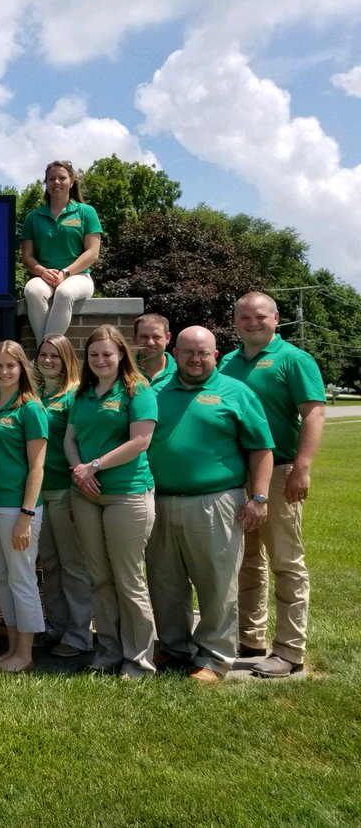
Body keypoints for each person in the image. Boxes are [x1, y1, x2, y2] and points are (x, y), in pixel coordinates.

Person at [147, 326, 274, 683]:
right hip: (160, 501)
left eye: (203, 353)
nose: (195, 359)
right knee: (164, 581)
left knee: (217, 584)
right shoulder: (154, 392)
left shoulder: (237, 392)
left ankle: (215, 657)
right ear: (175, 353)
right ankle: (174, 646)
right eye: (188, 352)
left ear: (215, 355)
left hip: (216, 501)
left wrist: (259, 497)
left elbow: (261, 448)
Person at [219, 292, 325, 678]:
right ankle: (250, 637)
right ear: (235, 322)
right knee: (246, 560)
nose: (252, 323)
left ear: (276, 317)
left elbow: (313, 414)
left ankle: (289, 650)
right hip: (237, 474)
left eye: (260, 316)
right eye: (244, 317)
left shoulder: (294, 359)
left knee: (286, 561)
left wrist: (302, 468)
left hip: (280, 471)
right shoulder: (227, 362)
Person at [64, 325, 158, 677]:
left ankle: (139, 659)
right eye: (94, 354)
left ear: (121, 354)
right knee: (100, 578)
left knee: (128, 579)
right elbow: (70, 439)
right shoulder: (83, 394)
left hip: (127, 494)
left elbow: (140, 441)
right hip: (86, 496)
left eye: (107, 354)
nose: (100, 360)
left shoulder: (137, 389)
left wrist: (94, 466)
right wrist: (80, 471)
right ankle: (109, 651)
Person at [0, 341, 48, 673]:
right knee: (1, 578)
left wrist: (26, 515)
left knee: (21, 578)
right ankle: (13, 648)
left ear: (22, 368)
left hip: (16, 509)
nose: (4, 372)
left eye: (11, 366)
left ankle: (26, 654)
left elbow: (37, 467)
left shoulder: (31, 409)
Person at [34, 333, 93, 657]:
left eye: (55, 355)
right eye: (43, 354)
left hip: (65, 491)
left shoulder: (75, 395)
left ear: (67, 358)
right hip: (38, 493)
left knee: (73, 565)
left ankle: (79, 634)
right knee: (50, 564)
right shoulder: (35, 394)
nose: (48, 360)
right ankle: (57, 626)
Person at [20, 160, 103, 345]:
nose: (56, 182)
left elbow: (92, 252)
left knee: (64, 293)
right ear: (46, 183)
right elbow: (27, 257)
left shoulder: (86, 212)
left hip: (78, 276)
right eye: (51, 179)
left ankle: (45, 351)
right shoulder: (33, 217)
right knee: (32, 290)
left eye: (62, 178)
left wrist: (66, 272)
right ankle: (49, 352)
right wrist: (42, 271)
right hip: (45, 277)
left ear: (71, 181)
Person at [134, 313, 176, 385]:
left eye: (156, 336)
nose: (150, 343)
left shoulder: (181, 372)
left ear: (167, 338)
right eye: (144, 337)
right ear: (134, 339)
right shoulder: (122, 371)